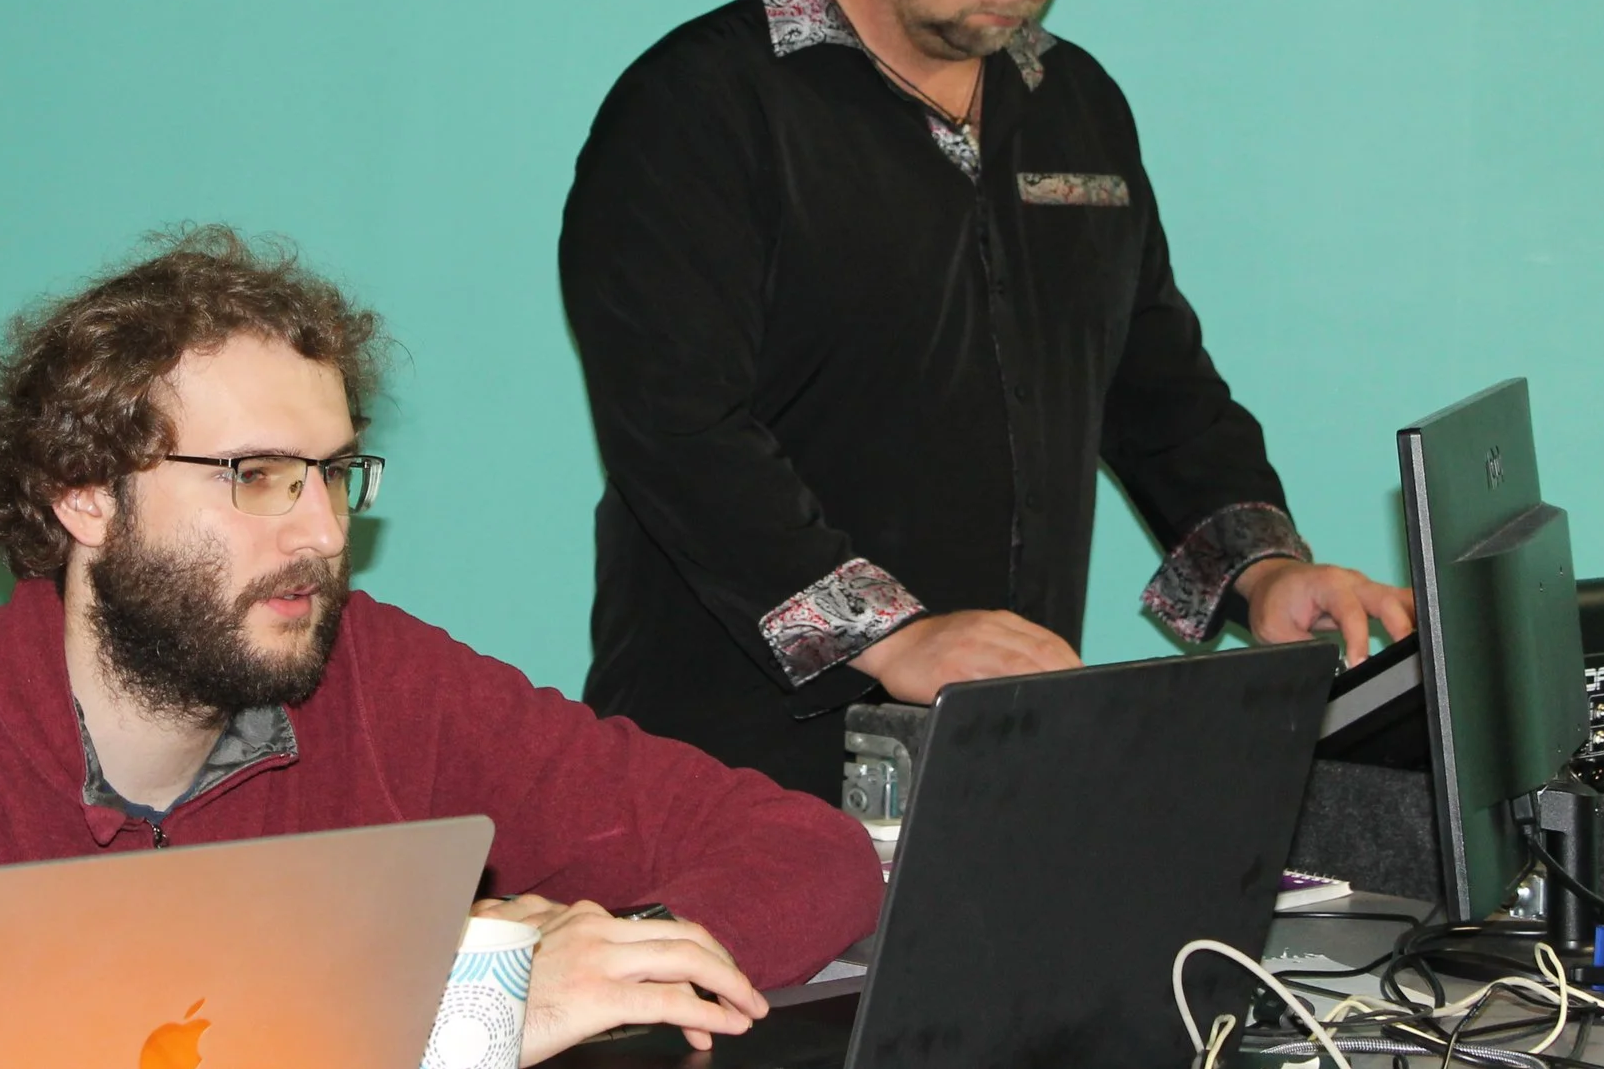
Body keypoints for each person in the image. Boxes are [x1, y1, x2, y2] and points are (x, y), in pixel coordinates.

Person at [0, 226, 884, 1066]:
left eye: (337, 475)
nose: (323, 533)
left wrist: (590, 954)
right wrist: (467, 1007)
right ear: (86, 497)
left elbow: (812, 855)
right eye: (258, 476)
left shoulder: (376, 677)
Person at [559, 0, 1416, 800]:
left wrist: (1264, 571)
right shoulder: (699, 104)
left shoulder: (1072, 99)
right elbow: (679, 430)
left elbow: (1155, 382)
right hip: (731, 765)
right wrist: (889, 636)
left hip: (997, 746)